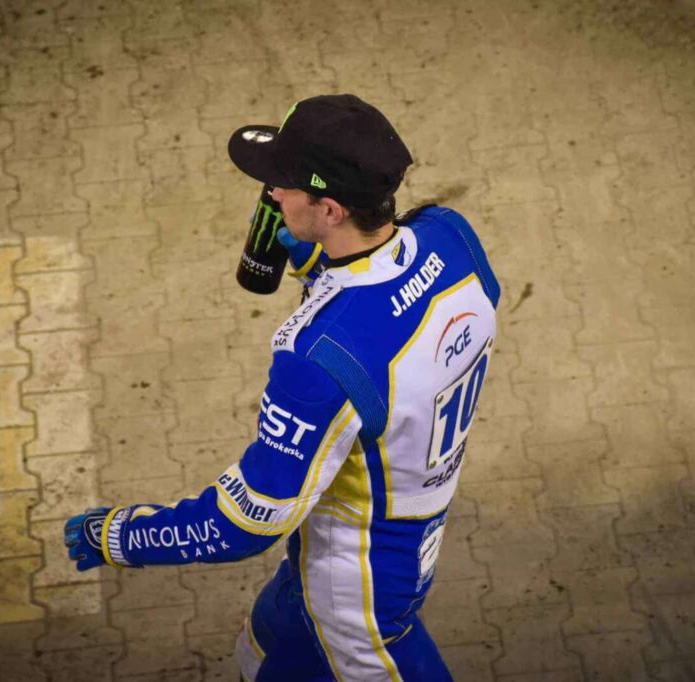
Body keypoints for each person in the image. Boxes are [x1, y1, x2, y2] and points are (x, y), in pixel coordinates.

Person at [64, 94, 501, 681]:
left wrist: (120, 536)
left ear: (330, 209)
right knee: (266, 646)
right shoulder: (452, 236)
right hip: (365, 550)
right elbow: (391, 312)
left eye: (285, 186)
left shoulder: (317, 361)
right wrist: (320, 267)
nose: (271, 194)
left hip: (358, 607)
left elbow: (250, 521)